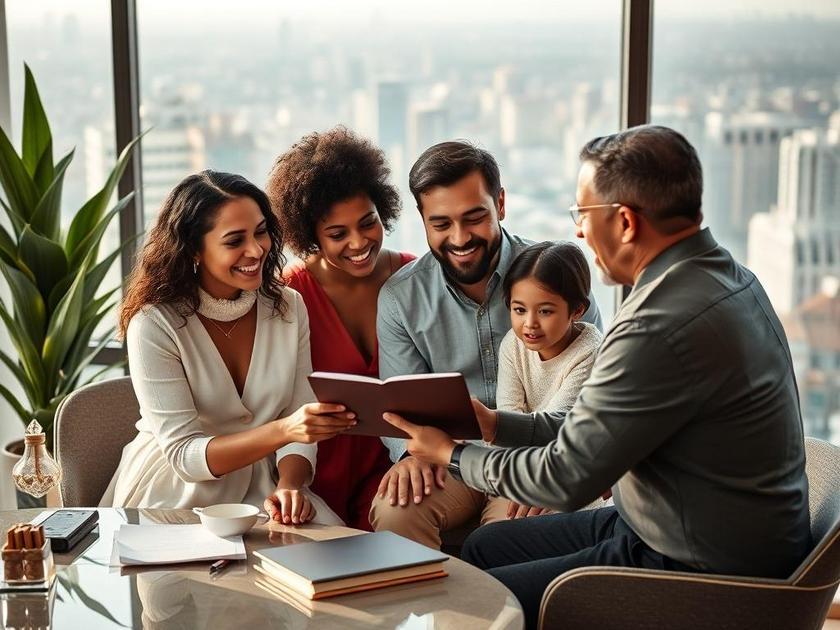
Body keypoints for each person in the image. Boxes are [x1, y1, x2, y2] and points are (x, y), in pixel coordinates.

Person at [382, 125, 810, 629]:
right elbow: (587, 426)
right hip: (684, 525)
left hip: (697, 562)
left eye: (583, 215)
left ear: (625, 221)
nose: (580, 234)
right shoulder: (727, 276)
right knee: (486, 547)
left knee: (481, 601)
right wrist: (496, 424)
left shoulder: (657, 325)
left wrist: (452, 454)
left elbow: (564, 478)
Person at [370, 141, 603, 548]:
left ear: (501, 204)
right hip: (448, 457)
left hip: (536, 454)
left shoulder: (555, 274)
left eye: (474, 218)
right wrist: (409, 455)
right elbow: (401, 406)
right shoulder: (400, 299)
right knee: (395, 510)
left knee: (509, 536)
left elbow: (594, 399)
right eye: (441, 224)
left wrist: (548, 471)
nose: (460, 238)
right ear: (423, 220)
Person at [102, 170, 355, 526]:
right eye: (235, 240)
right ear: (194, 249)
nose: (256, 250)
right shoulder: (154, 324)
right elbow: (184, 456)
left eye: (261, 232)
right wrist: (285, 429)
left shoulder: (288, 306)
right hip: (175, 495)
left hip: (263, 488)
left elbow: (299, 413)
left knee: (334, 549)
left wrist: (290, 486)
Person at [266, 127, 415, 530]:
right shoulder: (288, 294)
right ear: (311, 236)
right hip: (311, 469)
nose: (358, 242)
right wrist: (290, 482)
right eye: (337, 234)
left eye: (368, 223)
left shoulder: (414, 277)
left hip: (395, 467)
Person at [496, 241, 603, 519]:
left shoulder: (590, 351)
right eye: (519, 310)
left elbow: (554, 427)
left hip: (569, 468)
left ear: (577, 310)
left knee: (518, 525)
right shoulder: (513, 345)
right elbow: (508, 417)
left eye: (545, 311)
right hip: (523, 466)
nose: (529, 323)